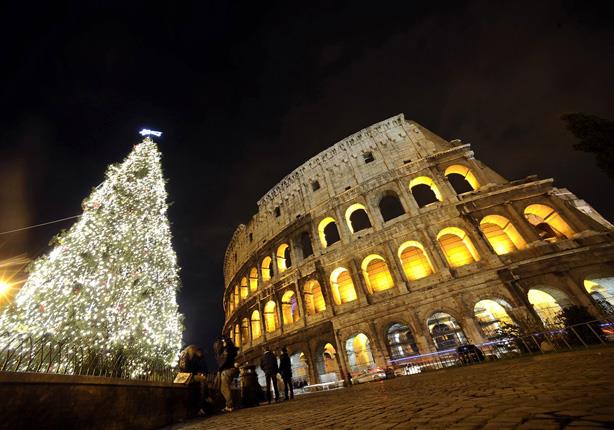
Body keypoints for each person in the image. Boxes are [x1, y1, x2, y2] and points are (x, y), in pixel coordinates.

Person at [179, 345, 209, 416]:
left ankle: (205, 398)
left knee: (199, 385)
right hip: (189, 377)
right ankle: (207, 396)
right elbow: (193, 368)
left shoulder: (183, 354)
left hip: (182, 376)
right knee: (204, 379)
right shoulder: (192, 357)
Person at [214, 336, 239, 412]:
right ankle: (229, 404)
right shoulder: (232, 349)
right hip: (231, 369)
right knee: (225, 388)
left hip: (226, 370)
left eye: (223, 341)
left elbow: (223, 362)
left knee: (224, 388)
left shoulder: (226, 350)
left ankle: (229, 405)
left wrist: (219, 370)